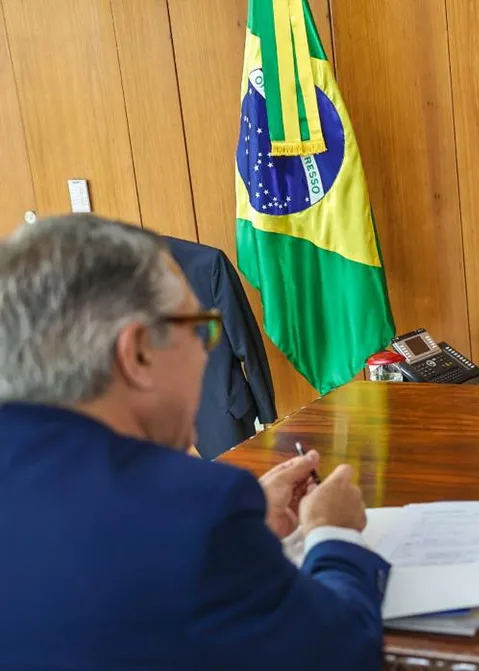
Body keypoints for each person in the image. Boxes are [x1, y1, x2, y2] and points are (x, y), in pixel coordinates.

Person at [0, 215, 388, 670]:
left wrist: (244, 533)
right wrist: (333, 533)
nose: (207, 353)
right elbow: (342, 654)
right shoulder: (196, 510)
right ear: (139, 353)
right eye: (200, 331)